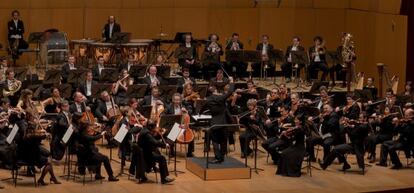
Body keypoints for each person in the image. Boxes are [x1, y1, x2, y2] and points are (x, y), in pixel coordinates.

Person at [201, 77, 239, 163]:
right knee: (223, 140)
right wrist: (232, 82)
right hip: (224, 122)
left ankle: (217, 157)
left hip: (214, 123)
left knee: (214, 141)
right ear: (215, 92)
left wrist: (200, 113)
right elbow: (230, 92)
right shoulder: (221, 98)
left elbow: (201, 109)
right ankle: (222, 157)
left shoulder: (208, 100)